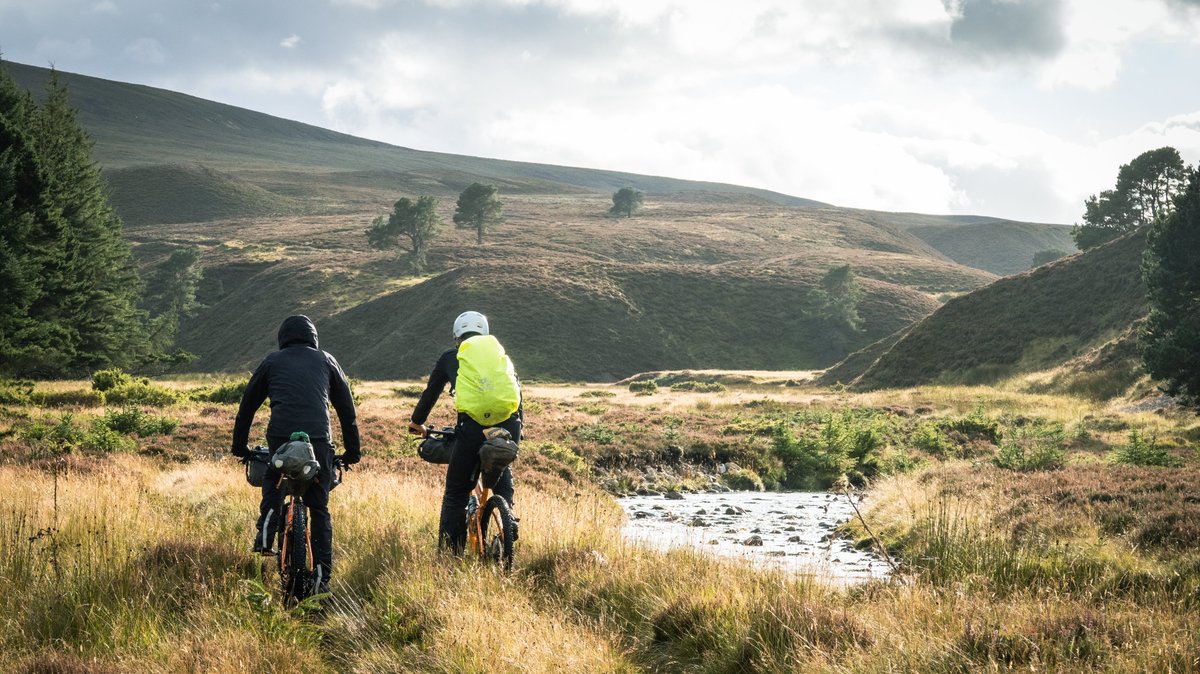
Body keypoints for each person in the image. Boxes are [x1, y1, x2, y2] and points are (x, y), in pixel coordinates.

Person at [231, 314, 361, 594]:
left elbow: (247, 409)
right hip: (318, 442)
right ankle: (322, 578)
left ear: (282, 339)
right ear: (314, 338)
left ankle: (267, 530)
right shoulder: (327, 360)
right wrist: (352, 453)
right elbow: (347, 411)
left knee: (274, 480)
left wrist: (239, 448)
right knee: (319, 509)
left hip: (281, 440)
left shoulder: (271, 361)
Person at [408, 310, 521, 553]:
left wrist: (417, 422)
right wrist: (516, 431)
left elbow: (431, 393)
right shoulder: (501, 357)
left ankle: (451, 556)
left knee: (456, 493)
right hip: (508, 426)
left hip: (472, 429)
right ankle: (507, 519)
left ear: (457, 337)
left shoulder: (452, 356)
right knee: (502, 467)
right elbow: (516, 395)